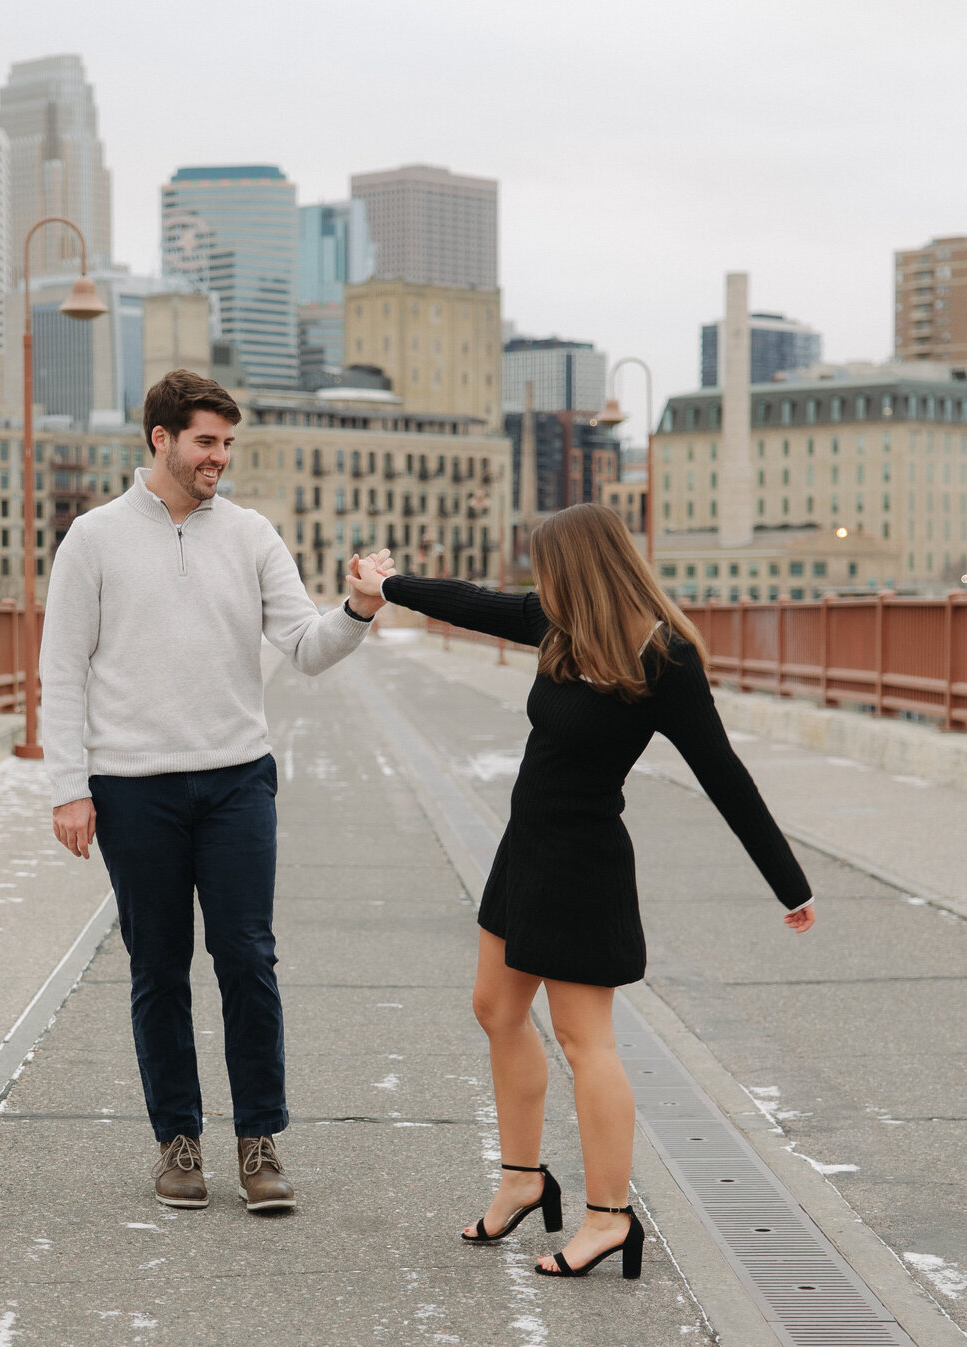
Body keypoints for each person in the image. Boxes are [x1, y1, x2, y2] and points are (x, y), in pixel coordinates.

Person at [349, 504, 815, 1280]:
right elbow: (470, 602)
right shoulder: (560, 628)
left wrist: (787, 882)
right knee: (496, 1009)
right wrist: (390, 583)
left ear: (581, 569)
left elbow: (722, 773)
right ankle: (524, 1179)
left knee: (581, 1038)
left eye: (548, 569)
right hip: (524, 851)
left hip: (584, 865)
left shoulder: (660, 658)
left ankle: (609, 1217)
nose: (538, 585)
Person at [41, 369, 391, 1214]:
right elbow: (61, 672)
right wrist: (69, 787)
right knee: (158, 969)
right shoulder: (92, 539)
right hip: (131, 789)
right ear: (160, 439)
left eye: (228, 444)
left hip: (237, 778)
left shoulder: (250, 534)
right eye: (206, 441)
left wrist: (357, 607)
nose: (219, 458)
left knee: (248, 959)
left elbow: (305, 647)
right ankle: (179, 1143)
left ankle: (259, 1144)